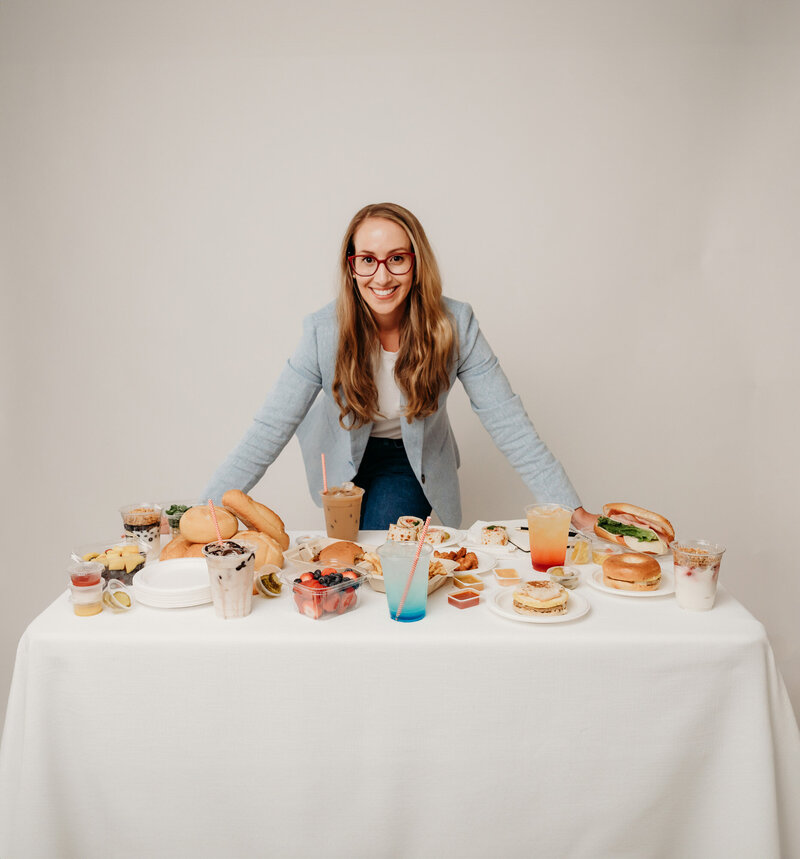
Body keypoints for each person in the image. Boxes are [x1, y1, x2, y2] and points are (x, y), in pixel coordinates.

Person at [204, 202, 596, 531]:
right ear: (351, 266)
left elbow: (508, 421)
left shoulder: (455, 325)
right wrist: (202, 510)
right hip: (340, 459)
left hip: (407, 459)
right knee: (344, 566)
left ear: (416, 262)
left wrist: (572, 511)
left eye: (396, 259)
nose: (382, 276)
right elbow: (270, 427)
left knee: (386, 558)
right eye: (368, 261)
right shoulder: (323, 331)